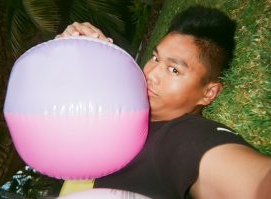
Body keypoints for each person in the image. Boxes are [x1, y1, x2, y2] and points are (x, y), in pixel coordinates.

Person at [56, 5, 271, 199]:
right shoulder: (122, 104)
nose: (151, 73)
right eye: (156, 58)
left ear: (208, 93)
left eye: (174, 69)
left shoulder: (186, 137)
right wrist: (74, 48)